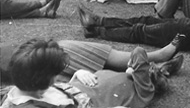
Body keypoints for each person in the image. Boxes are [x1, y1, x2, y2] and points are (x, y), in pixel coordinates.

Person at [0, 38, 180, 108]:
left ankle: (162, 66)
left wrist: (76, 74)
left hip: (82, 87)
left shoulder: (25, 89)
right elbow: (139, 53)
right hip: (95, 98)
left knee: (70, 49)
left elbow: (53, 90)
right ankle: (162, 67)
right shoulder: (143, 92)